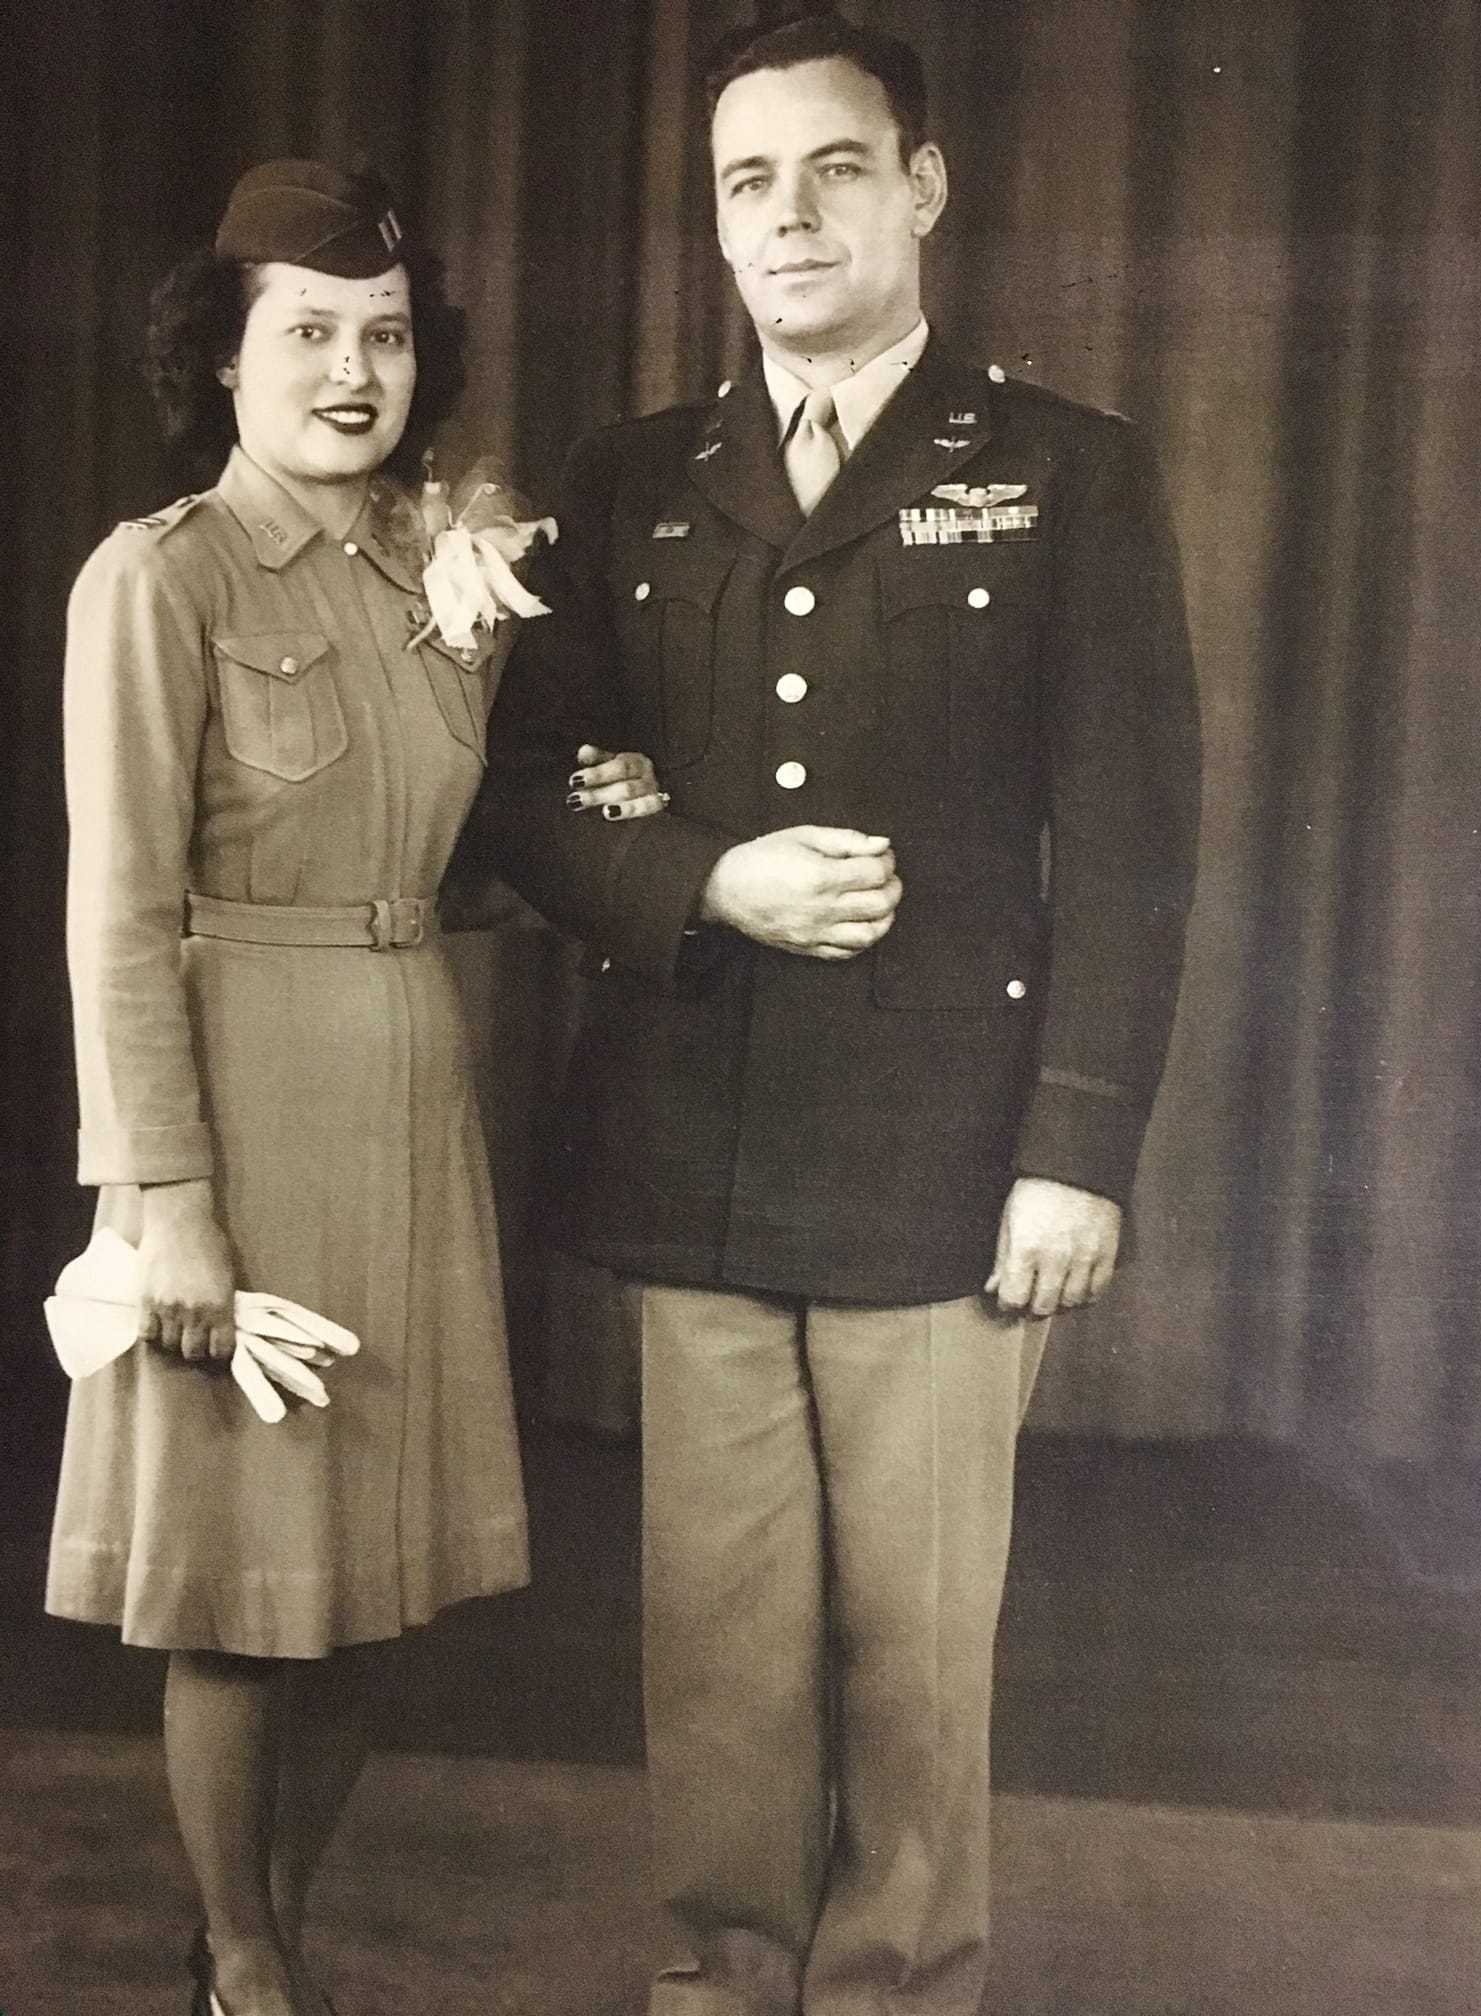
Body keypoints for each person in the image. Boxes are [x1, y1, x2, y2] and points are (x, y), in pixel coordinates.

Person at [482, 12, 1202, 2014]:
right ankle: (721, 1985)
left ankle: (896, 1991)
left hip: (951, 1162)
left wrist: (1077, 1151)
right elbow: (522, 792)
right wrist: (701, 877)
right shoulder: (632, 478)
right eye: (744, 183)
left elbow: (1136, 848)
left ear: (923, 187)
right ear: (714, 221)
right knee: (717, 1642)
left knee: (913, 1641)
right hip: (699, 1142)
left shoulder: (1062, 473)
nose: (786, 219)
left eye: (830, 170)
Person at [45, 159, 665, 2016]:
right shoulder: (161, 577)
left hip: (408, 1088)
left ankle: (269, 1931)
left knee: (371, 1592)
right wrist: (166, 1203)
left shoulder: (439, 571)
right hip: (239, 1102)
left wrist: (594, 814)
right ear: (222, 360)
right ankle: (247, 1967)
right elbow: (118, 914)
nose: (351, 370)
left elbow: (439, 845)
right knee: (247, 1594)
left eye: (384, 335)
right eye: (305, 332)